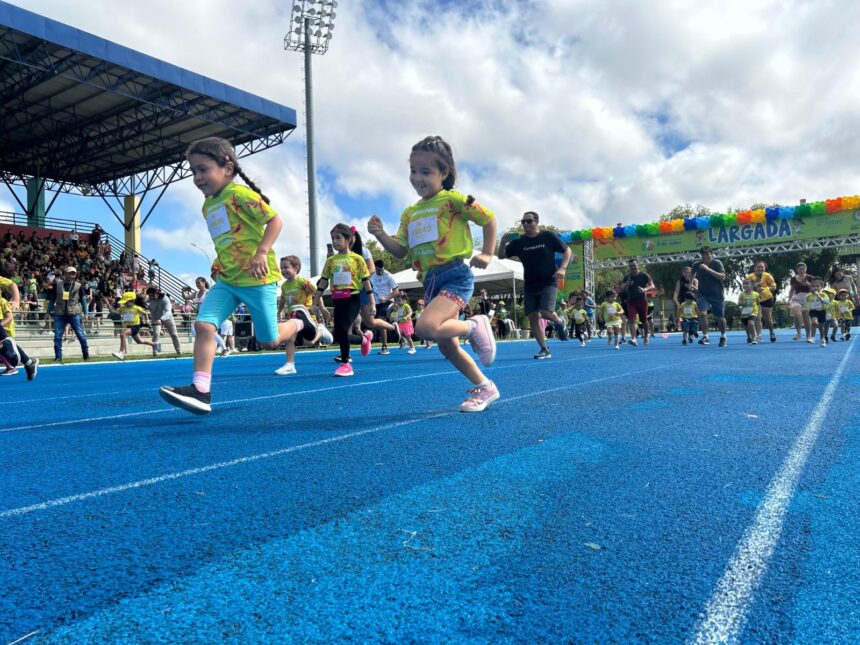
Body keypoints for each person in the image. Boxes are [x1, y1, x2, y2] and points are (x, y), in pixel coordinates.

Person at [159, 137, 319, 414]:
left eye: (203, 169)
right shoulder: (208, 205)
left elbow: (275, 220)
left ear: (227, 168)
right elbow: (226, 240)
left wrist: (261, 252)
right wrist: (219, 263)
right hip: (228, 281)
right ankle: (201, 390)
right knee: (204, 326)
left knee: (269, 340)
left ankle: (298, 322)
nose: (197, 177)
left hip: (257, 280)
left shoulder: (240, 195)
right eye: (193, 171)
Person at [368, 135, 498, 412]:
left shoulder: (452, 201)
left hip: (454, 275)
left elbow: (488, 219)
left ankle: (475, 326)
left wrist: (487, 252)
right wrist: (380, 235)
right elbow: (400, 250)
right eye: (413, 171)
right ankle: (485, 387)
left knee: (425, 328)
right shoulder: (410, 213)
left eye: (425, 171)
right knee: (446, 346)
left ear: (444, 173)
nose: (417, 178)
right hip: (430, 282)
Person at [498, 211, 570, 359]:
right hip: (530, 284)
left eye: (528, 221)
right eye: (523, 222)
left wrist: (562, 268)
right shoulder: (518, 242)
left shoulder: (547, 236)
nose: (525, 224)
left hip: (549, 281)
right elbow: (501, 256)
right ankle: (544, 349)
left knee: (545, 312)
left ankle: (559, 321)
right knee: (533, 317)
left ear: (536, 222)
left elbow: (567, 250)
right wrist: (503, 242)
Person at [314, 224, 375, 376]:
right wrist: (315, 301)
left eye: (338, 238)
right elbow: (323, 281)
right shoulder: (331, 260)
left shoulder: (357, 259)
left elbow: (366, 282)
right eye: (332, 238)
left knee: (342, 330)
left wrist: (372, 302)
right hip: (337, 298)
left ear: (348, 239)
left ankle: (346, 364)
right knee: (338, 334)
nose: (334, 241)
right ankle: (364, 339)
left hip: (352, 298)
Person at [275, 254, 331, 375]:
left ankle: (320, 330)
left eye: (286, 267)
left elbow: (317, 293)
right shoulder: (284, 286)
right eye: (282, 268)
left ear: (296, 268)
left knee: (310, 342)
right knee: (290, 338)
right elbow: (283, 300)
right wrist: (279, 311)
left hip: (307, 315)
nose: (283, 270)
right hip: (293, 317)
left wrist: (321, 307)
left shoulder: (303, 282)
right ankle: (290, 364)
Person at [51, 266, 90, 362]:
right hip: (59, 313)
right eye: (70, 273)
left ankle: (86, 355)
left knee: (80, 335)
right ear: (65, 274)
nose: (72, 275)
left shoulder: (79, 286)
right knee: (57, 336)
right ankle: (58, 357)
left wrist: (86, 313)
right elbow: (52, 299)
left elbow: (83, 300)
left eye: (74, 273)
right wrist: (48, 312)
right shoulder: (57, 285)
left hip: (75, 313)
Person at [692, 247, 728, 347]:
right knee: (702, 314)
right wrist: (691, 283)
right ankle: (705, 336)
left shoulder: (717, 263)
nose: (704, 256)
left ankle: (723, 336)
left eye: (707, 254)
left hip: (717, 294)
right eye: (702, 254)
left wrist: (708, 269)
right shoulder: (697, 264)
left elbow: (723, 277)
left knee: (720, 317)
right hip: (702, 294)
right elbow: (692, 273)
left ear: (712, 254)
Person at [0, 290, 39, 380]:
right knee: (9, 348)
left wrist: (1, 325)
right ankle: (29, 363)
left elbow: (9, 317)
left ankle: (12, 367)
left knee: (6, 347)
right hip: (3, 329)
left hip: (6, 329)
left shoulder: (3, 302)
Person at [368, 259, 401, 355]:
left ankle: (384, 347)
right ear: (375, 268)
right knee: (375, 323)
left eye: (382, 270)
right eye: (378, 270)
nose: (380, 272)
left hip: (387, 302)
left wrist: (386, 298)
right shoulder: (371, 277)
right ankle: (400, 337)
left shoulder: (388, 276)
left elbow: (396, 291)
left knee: (381, 320)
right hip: (376, 303)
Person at [620, 259, 655, 347]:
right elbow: (622, 288)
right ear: (629, 267)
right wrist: (626, 284)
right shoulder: (627, 277)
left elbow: (653, 286)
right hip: (631, 301)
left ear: (637, 265)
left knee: (644, 320)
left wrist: (645, 289)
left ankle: (646, 337)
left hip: (642, 300)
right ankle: (634, 339)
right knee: (631, 319)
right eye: (631, 266)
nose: (633, 267)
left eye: (634, 265)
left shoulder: (644, 275)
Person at [746, 260, 777, 343]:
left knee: (768, 318)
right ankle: (759, 335)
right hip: (756, 299)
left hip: (767, 298)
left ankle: (771, 332)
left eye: (762, 267)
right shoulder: (750, 276)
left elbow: (774, 287)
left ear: (764, 268)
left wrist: (766, 288)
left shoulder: (767, 276)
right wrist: (753, 286)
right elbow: (746, 287)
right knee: (758, 317)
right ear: (755, 268)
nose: (760, 268)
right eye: (758, 267)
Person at [146, 287, 182, 357]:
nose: (151, 297)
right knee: (156, 334)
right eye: (150, 296)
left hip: (167, 317)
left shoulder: (165, 299)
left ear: (157, 293)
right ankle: (155, 353)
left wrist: (161, 319)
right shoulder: (149, 299)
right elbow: (142, 302)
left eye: (152, 295)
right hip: (155, 318)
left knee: (174, 334)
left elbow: (168, 312)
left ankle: (179, 352)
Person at [788, 262, 814, 342]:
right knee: (797, 314)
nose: (802, 271)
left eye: (803, 269)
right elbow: (792, 290)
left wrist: (808, 284)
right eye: (800, 269)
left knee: (806, 318)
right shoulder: (793, 279)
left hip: (808, 298)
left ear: (806, 269)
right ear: (797, 270)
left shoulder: (810, 278)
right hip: (797, 298)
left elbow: (815, 289)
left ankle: (808, 336)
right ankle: (798, 333)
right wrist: (789, 300)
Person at [805, 278, 831, 347]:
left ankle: (822, 339)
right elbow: (806, 304)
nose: (815, 288)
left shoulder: (823, 294)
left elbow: (827, 302)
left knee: (821, 327)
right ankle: (812, 337)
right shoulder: (809, 296)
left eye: (817, 286)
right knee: (814, 322)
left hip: (822, 311)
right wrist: (804, 308)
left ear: (821, 287)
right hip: (813, 311)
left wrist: (821, 298)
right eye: (813, 286)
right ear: (811, 288)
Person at [737, 279, 761, 345]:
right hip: (744, 312)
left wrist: (756, 310)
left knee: (751, 324)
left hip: (753, 312)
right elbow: (739, 303)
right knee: (747, 326)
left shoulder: (756, 294)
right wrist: (744, 302)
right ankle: (748, 336)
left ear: (752, 285)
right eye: (744, 284)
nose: (745, 285)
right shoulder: (742, 294)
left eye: (747, 284)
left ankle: (754, 338)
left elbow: (758, 302)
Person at [672, 267, 696, 332]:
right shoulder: (680, 281)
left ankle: (692, 331)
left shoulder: (695, 280)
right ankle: (680, 325)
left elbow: (698, 290)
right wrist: (675, 298)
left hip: (693, 302)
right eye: (685, 273)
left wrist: (692, 286)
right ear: (683, 273)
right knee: (685, 317)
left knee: (692, 318)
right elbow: (677, 291)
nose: (687, 274)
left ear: (691, 273)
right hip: (683, 301)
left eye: (689, 272)